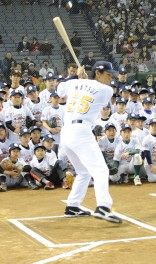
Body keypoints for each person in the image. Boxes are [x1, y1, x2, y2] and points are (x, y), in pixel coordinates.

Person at [56, 61, 122, 223]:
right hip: (81, 132)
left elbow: (59, 90)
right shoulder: (106, 90)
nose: (110, 77)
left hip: (66, 134)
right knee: (101, 171)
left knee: (84, 172)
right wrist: (82, 80)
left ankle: (72, 206)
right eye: (107, 74)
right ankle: (103, 207)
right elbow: (92, 88)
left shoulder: (74, 83)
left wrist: (77, 78)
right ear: (98, 73)